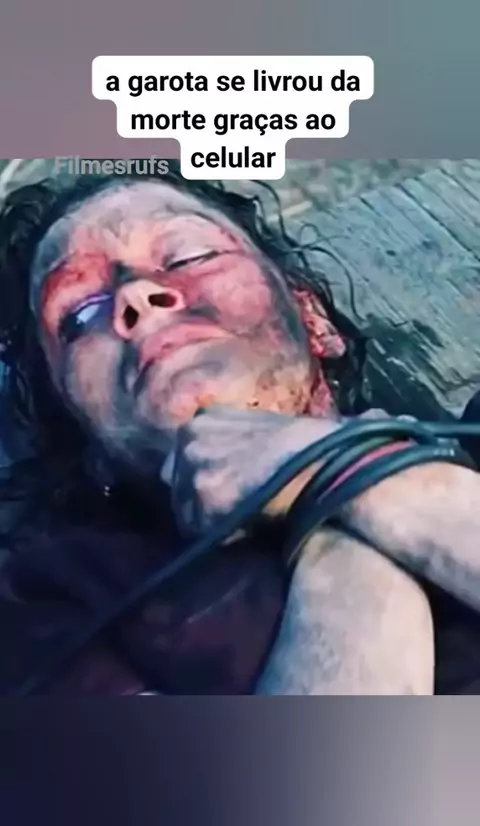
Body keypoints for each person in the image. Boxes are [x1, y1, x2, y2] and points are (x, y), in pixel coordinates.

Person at [0, 161, 479, 695]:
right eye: (80, 315)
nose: (136, 296)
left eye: (188, 256)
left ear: (314, 320)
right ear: (88, 447)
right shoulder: (55, 605)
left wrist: (333, 465)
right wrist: (337, 514)